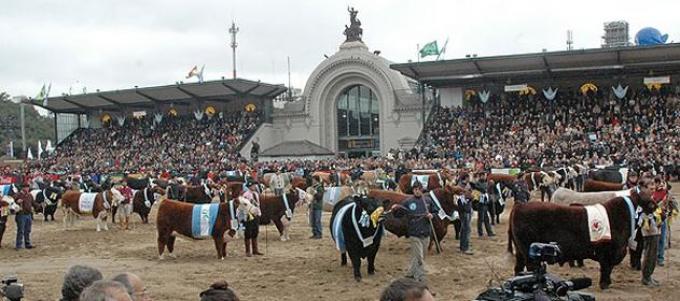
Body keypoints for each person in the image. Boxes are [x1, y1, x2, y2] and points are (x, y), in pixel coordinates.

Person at [394, 181, 436, 282]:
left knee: (421, 256)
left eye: (419, 189)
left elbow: (436, 211)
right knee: (419, 257)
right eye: (415, 189)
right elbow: (399, 214)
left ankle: (411, 273)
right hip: (414, 233)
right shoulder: (408, 202)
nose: (417, 191)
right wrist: (395, 208)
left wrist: (432, 215)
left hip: (426, 232)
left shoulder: (428, 200)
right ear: (413, 190)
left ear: (422, 189)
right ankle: (419, 277)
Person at [240, 181, 263, 256]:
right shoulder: (246, 195)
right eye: (253, 185)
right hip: (249, 215)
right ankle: (247, 251)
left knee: (255, 231)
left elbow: (258, 204)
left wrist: (259, 212)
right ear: (249, 186)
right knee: (248, 232)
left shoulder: (256, 194)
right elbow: (244, 205)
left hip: (256, 214)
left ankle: (255, 249)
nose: (254, 187)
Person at [457, 174, 474, 255]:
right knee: (466, 228)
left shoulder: (466, 185)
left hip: (467, 208)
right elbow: (462, 198)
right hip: (464, 209)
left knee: (466, 228)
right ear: (466, 178)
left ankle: (463, 245)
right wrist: (470, 197)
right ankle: (464, 247)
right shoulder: (460, 187)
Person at [14, 184, 34, 250]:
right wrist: (17, 201)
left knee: (28, 230)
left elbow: (33, 203)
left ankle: (27, 244)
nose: (27, 188)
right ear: (22, 188)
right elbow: (13, 200)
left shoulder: (30, 195)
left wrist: (40, 205)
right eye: (26, 187)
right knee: (21, 230)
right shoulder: (18, 194)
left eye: (28, 187)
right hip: (21, 214)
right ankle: (18, 245)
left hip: (28, 214)